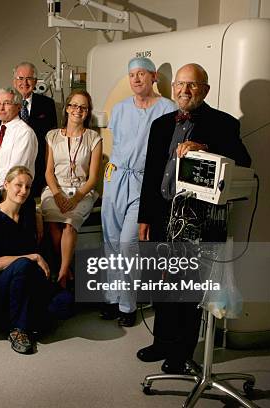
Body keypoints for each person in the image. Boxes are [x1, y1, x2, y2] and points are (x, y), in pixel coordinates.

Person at [136, 63, 251, 374]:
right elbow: (150, 177)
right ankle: (161, 342)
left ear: (206, 90)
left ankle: (181, 352)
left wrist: (205, 148)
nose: (185, 90)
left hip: (196, 222)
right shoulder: (160, 125)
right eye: (180, 84)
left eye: (193, 85)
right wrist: (144, 217)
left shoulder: (223, 124)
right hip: (162, 215)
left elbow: (243, 161)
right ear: (173, 88)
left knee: (187, 289)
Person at [100, 57, 177, 327]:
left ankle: (128, 305)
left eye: (141, 74)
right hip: (115, 178)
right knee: (111, 242)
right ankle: (112, 298)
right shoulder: (120, 109)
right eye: (132, 74)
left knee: (128, 244)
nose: (136, 79)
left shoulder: (167, 108)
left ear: (154, 77)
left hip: (144, 182)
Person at [0, 166, 73, 355]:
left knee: (66, 301)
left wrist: (38, 214)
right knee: (23, 264)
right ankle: (18, 329)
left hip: (25, 281)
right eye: (18, 185)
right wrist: (33, 256)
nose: (23, 191)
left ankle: (25, 319)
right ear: (6, 185)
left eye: (28, 187)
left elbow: (35, 215)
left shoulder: (28, 211)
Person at [41, 89, 102, 289]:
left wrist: (76, 198)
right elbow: (49, 172)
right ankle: (66, 270)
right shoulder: (52, 136)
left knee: (69, 223)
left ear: (88, 112)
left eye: (83, 107)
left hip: (82, 190)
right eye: (74, 105)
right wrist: (57, 195)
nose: (78, 110)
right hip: (55, 188)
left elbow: (93, 178)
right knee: (52, 222)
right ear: (67, 109)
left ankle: (62, 273)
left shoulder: (93, 138)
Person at [0, 62, 57, 196]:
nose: (25, 82)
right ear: (14, 81)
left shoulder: (47, 104)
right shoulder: (3, 104)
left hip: (37, 169)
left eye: (29, 78)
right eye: (20, 78)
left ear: (35, 81)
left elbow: (52, 140)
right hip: (9, 171)